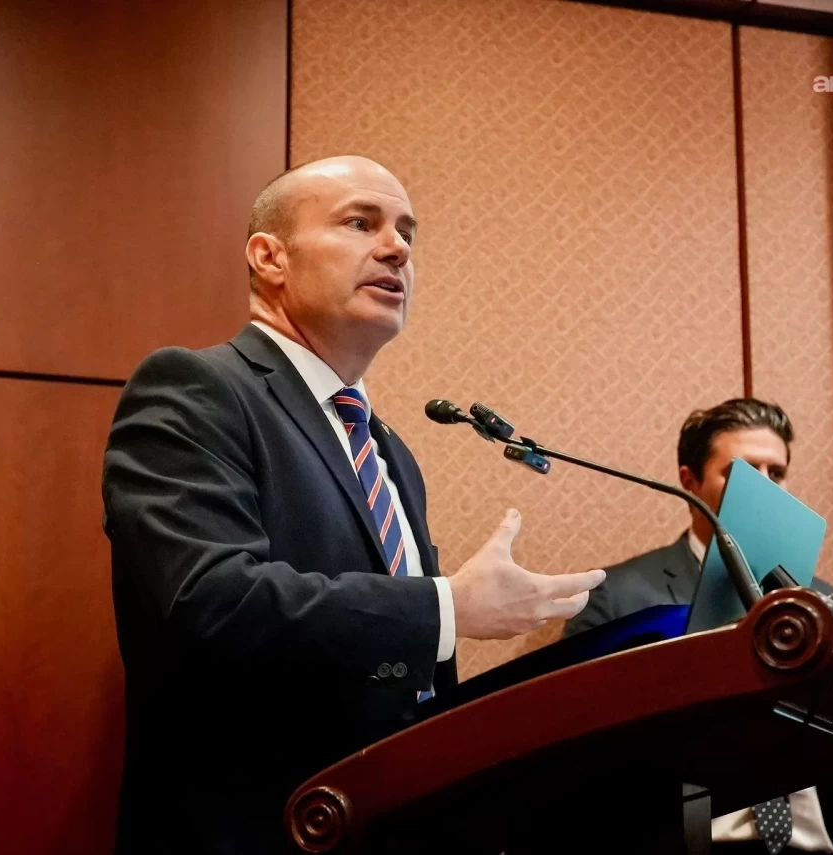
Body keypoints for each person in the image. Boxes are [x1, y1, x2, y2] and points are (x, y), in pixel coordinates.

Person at [102, 155, 606, 853]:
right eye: (360, 223)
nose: (397, 248)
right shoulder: (196, 389)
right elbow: (210, 602)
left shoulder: (387, 447)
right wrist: (448, 609)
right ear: (270, 257)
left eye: (407, 233)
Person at [564, 398, 833, 855]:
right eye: (743, 473)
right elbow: (580, 756)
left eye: (776, 472)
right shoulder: (618, 597)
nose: (764, 487)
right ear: (690, 481)